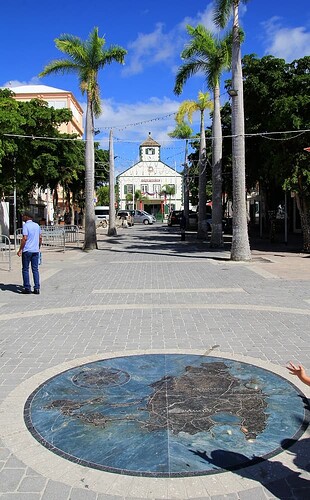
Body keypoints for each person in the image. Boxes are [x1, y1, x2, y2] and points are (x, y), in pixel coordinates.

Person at [17, 212, 42, 294]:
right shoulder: (37, 225)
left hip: (27, 250)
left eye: (23, 216)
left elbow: (24, 238)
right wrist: (38, 247)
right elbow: (40, 237)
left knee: (25, 269)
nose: (22, 217)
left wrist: (20, 249)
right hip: (35, 250)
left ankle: (27, 287)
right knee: (35, 269)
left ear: (27, 217)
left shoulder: (26, 226)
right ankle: (37, 288)